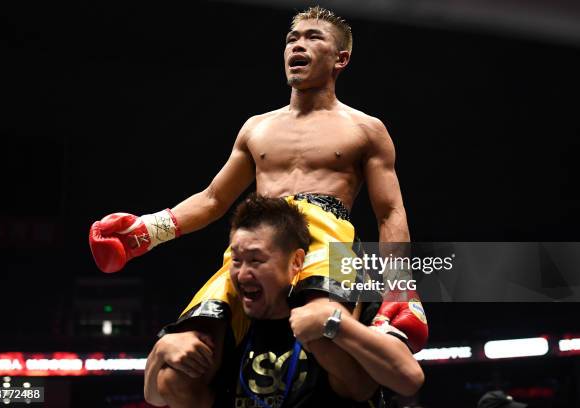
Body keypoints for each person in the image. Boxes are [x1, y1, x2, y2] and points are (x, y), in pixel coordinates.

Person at [89, 4, 428, 402]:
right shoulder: (257, 127)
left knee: (326, 332)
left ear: (341, 59)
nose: (297, 45)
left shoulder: (366, 129)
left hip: (327, 243)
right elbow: (214, 198)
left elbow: (390, 212)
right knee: (189, 351)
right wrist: (146, 232)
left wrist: (400, 287)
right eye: (291, 39)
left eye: (312, 37)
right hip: (256, 243)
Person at [144, 195, 423, 407]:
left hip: (329, 238)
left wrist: (337, 324)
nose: (242, 273)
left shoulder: (333, 309)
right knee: (175, 371)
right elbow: (160, 394)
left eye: (256, 260)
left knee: (326, 335)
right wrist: (160, 349)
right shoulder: (227, 328)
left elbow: (409, 379)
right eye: (236, 260)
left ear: (296, 263)